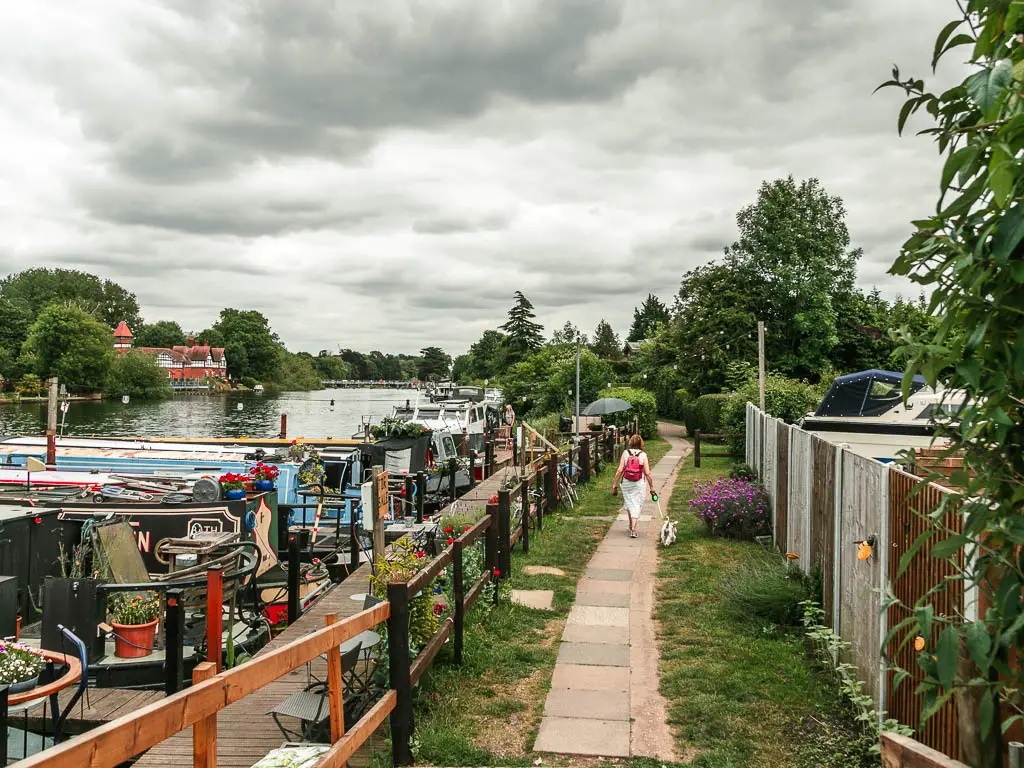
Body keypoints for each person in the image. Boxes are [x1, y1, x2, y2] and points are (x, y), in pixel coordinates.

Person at [612, 434, 655, 538]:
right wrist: (652, 487)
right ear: (641, 443)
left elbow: (620, 470)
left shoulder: (625, 453)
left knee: (629, 501)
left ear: (630, 442)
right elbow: (648, 473)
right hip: (638, 483)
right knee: (636, 505)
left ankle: (631, 524)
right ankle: (634, 530)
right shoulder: (643, 455)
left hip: (626, 483)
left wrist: (615, 485)